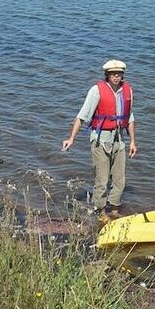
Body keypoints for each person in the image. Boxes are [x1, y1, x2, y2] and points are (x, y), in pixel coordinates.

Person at [62, 59, 137, 221]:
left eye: (119, 74)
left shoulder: (127, 91)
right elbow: (82, 116)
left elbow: (129, 118)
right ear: (107, 75)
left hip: (119, 140)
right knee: (102, 180)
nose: (117, 77)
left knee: (120, 179)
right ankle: (101, 212)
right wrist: (71, 138)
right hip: (100, 140)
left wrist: (132, 141)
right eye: (113, 74)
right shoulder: (96, 90)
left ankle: (115, 209)